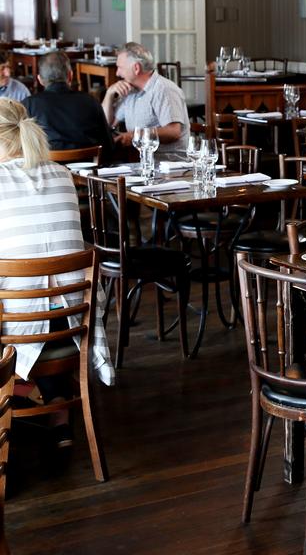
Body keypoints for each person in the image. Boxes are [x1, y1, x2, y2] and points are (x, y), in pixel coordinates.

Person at [0, 99, 114, 448]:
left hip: (17, 335)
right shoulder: (63, 175)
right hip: (72, 326)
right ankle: (57, 409)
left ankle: (16, 397)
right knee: (43, 298)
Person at [102, 41, 189, 155]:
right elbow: (109, 123)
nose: (117, 73)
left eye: (120, 68)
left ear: (136, 68)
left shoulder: (163, 89)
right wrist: (109, 93)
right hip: (141, 162)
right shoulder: (130, 90)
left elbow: (173, 132)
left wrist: (135, 135)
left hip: (170, 165)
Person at [23, 50, 113, 160]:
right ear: (70, 76)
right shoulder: (91, 101)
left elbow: (22, 149)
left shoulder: (29, 104)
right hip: (87, 172)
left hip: (48, 173)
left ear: (40, 79)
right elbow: (109, 146)